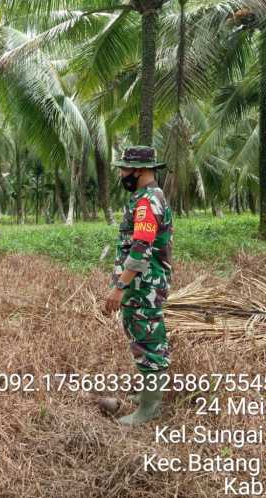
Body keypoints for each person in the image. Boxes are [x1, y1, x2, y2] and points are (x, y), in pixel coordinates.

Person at [102, 145, 173, 425]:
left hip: (144, 285)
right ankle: (146, 395)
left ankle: (149, 409)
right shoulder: (145, 197)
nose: (122, 174)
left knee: (149, 341)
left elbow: (141, 246)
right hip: (142, 285)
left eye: (124, 169)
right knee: (141, 337)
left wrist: (119, 287)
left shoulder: (147, 201)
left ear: (140, 171)